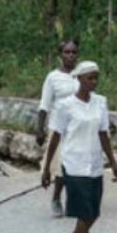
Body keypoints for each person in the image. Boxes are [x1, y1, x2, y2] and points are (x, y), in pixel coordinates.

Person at [43, 60, 117, 233]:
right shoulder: (65, 106)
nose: (94, 82)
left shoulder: (100, 103)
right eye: (90, 78)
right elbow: (56, 137)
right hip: (74, 165)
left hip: (94, 163)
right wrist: (47, 168)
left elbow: (103, 133)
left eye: (96, 78)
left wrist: (113, 163)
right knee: (83, 212)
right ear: (79, 79)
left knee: (93, 213)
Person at [34, 40, 84, 218]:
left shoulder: (82, 75)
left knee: (78, 165)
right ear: (60, 55)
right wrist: (40, 129)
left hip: (79, 127)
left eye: (73, 52)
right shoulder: (53, 77)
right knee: (62, 166)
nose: (70, 55)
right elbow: (44, 105)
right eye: (67, 52)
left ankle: (76, 199)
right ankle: (56, 198)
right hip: (59, 128)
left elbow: (90, 98)